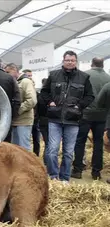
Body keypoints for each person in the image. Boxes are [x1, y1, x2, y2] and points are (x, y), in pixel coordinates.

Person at [41, 50, 94, 182]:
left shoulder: (84, 77)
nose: (70, 62)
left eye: (72, 60)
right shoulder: (53, 75)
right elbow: (44, 92)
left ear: (76, 62)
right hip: (55, 118)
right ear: (63, 61)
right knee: (52, 149)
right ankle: (53, 176)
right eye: (67, 60)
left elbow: (90, 96)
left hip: (73, 120)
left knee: (68, 152)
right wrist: (50, 102)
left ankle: (65, 178)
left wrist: (79, 106)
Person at [71, 57, 110, 180]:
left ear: (91, 64)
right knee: (98, 143)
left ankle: (77, 170)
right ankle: (96, 172)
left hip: (85, 114)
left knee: (80, 141)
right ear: (103, 65)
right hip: (102, 116)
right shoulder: (108, 78)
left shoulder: (84, 75)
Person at [5, 63, 37, 151]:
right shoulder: (14, 82)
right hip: (14, 120)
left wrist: (18, 110)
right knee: (15, 148)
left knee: (24, 148)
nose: (6, 74)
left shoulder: (26, 82)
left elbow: (32, 100)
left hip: (23, 120)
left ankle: (27, 165)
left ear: (15, 70)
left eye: (8, 72)